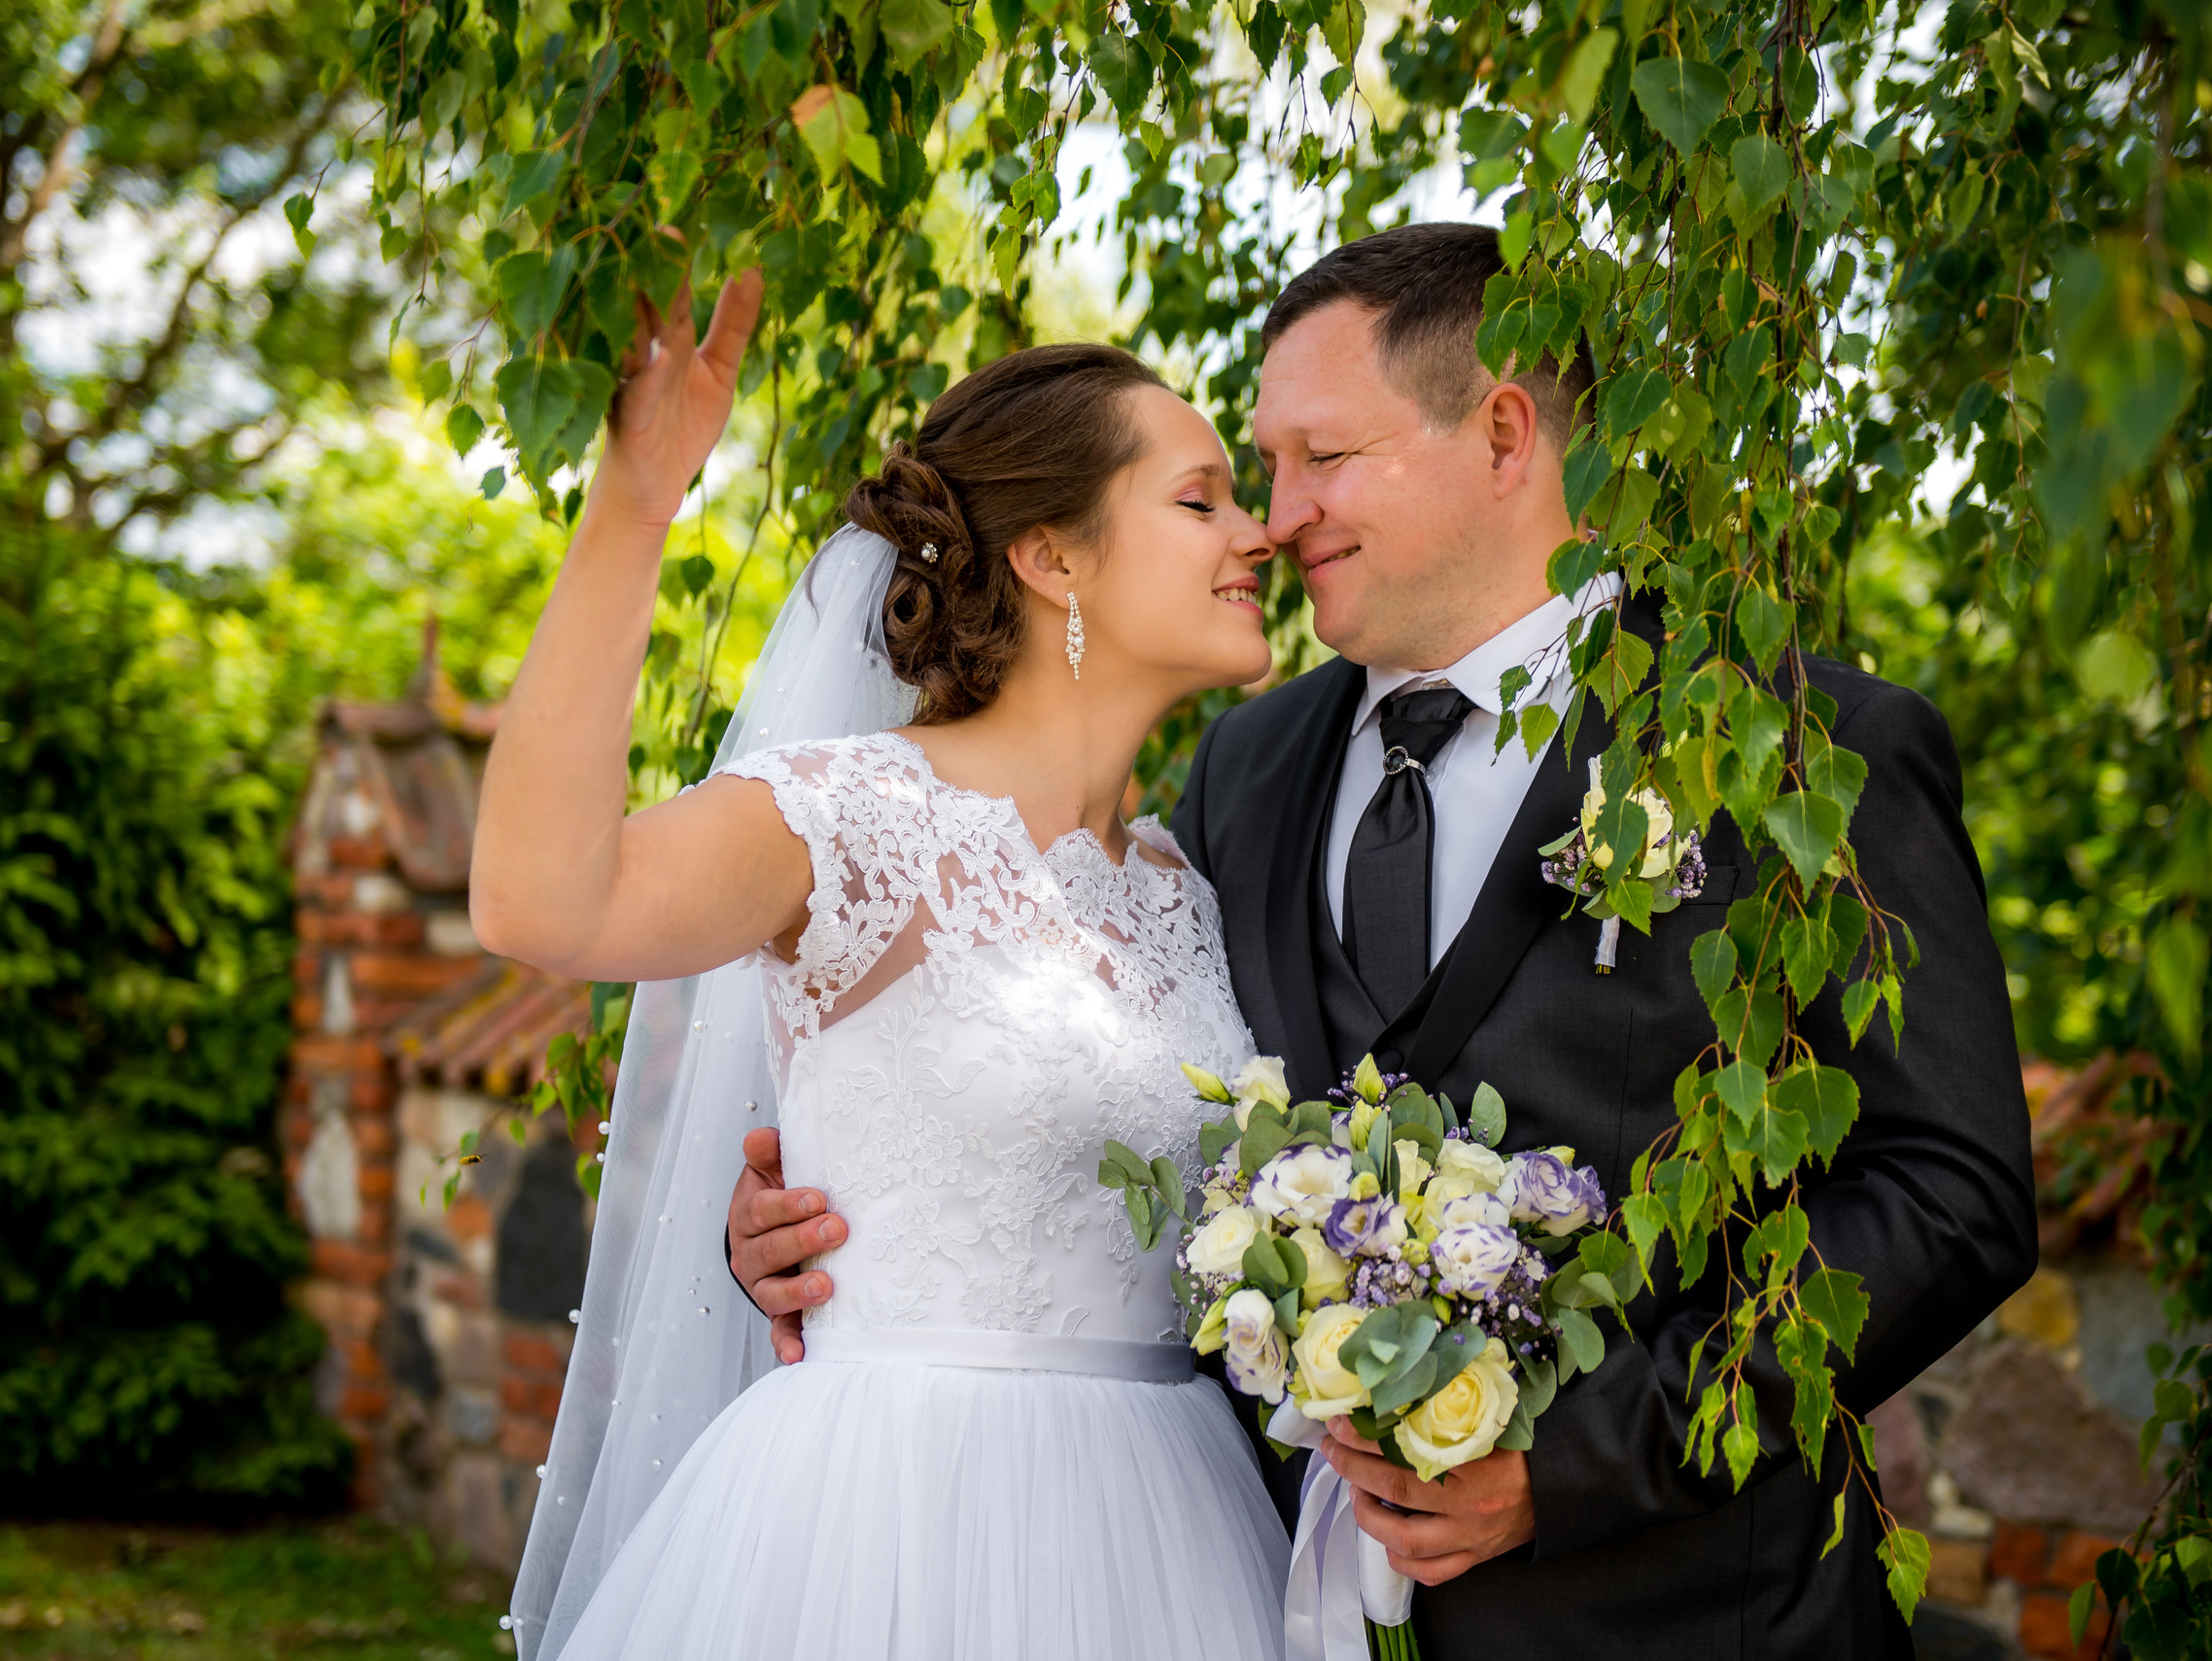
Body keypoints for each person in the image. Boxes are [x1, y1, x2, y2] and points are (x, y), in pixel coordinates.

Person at [731, 223, 2038, 1659]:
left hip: (1693, 1623)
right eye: (1260, 467)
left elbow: (1952, 1191)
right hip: (1271, 1607)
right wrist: (841, 1217)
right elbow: (1119, 1094)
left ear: (1504, 433)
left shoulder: (1802, 752)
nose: (1275, 519)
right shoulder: (1243, 772)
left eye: (1323, 458)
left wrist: (1577, 1458)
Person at [478, 268, 1290, 1659]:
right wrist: (636, 504)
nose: (1256, 533)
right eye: (1200, 500)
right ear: (1055, 558)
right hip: (888, 1521)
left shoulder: (1186, 885)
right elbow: (543, 900)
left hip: (1171, 1530)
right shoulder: (847, 817)